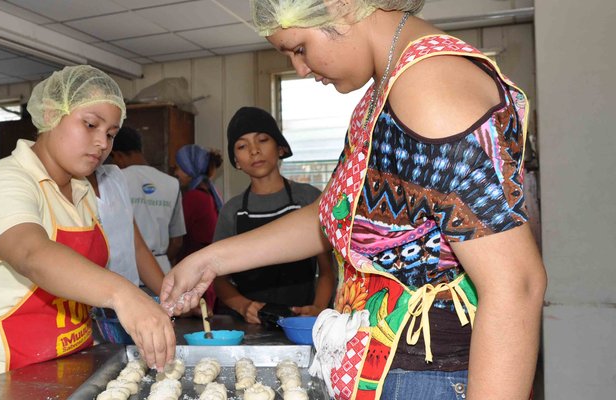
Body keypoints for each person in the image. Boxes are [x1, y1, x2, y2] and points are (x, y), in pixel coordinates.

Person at [161, 1, 546, 400]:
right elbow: (336, 215)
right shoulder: (384, 93)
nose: (301, 69)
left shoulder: (429, 87)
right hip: (383, 367)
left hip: (430, 376)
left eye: (299, 48)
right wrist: (209, 259)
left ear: (340, 6)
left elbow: (515, 285)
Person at [0, 65, 174, 390]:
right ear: (52, 113)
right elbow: (31, 253)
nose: (101, 143)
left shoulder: (83, 193)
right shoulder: (4, 182)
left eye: (110, 134)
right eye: (90, 124)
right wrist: (125, 295)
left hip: (68, 367)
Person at [213, 106, 335, 324]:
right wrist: (243, 306)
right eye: (242, 146)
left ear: (280, 148)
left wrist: (318, 308)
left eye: (262, 140)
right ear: (236, 161)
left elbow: (327, 270)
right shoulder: (232, 211)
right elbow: (219, 279)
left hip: (302, 321)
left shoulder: (309, 200)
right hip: (249, 327)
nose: (254, 150)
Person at [109, 126, 186, 274]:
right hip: (160, 270)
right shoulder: (172, 183)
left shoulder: (113, 180)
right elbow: (177, 242)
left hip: (124, 271)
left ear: (117, 155)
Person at [87, 164, 166, 295]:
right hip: (87, 306)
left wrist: (172, 299)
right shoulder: (55, 186)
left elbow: (137, 248)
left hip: (127, 304)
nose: (103, 144)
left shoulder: (114, 176)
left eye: (110, 141)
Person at [173, 144, 223, 310]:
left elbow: (178, 235)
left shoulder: (194, 197)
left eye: (179, 168)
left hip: (197, 274)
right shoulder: (209, 193)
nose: (176, 173)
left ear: (190, 169)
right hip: (206, 272)